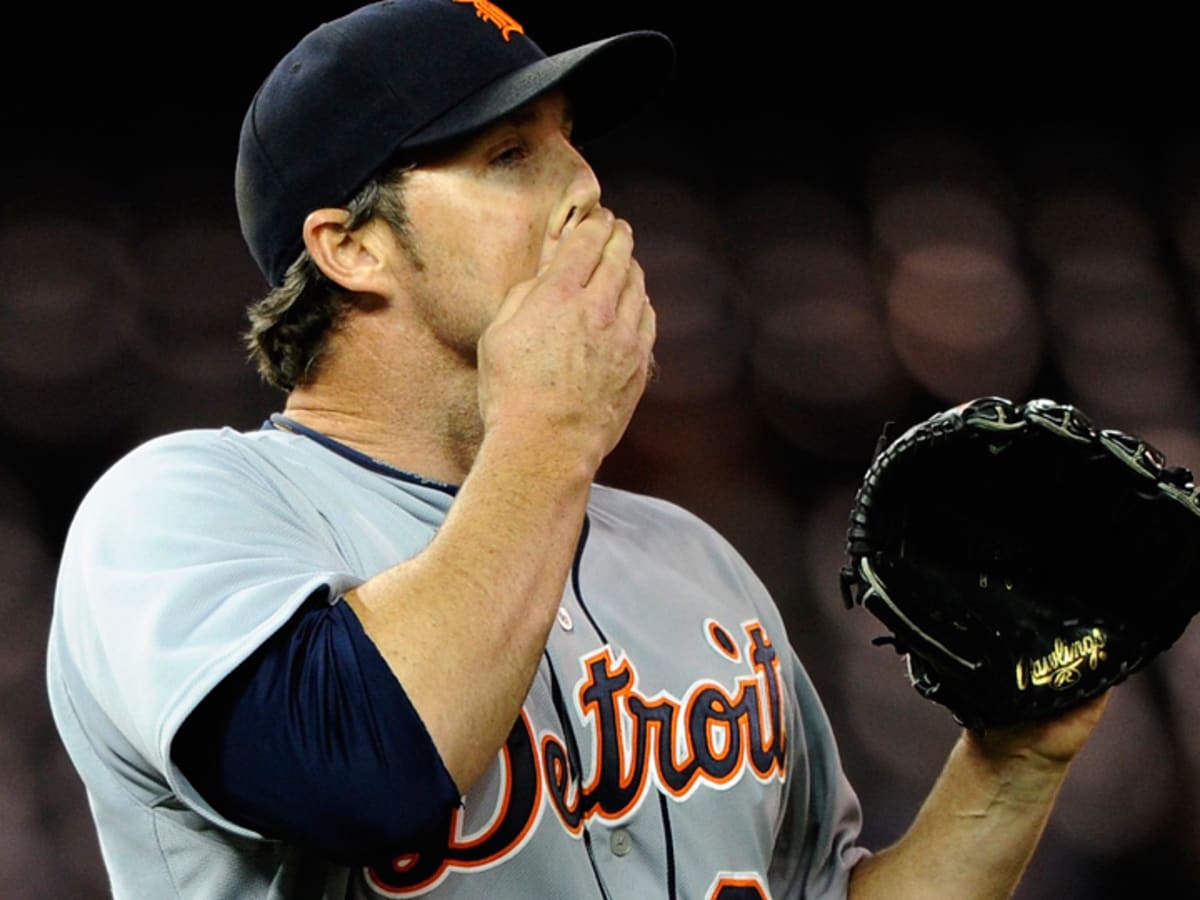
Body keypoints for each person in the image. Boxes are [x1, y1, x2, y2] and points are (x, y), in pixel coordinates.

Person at [46, 1, 1109, 897]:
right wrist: (551, 426)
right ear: (351, 246)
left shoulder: (692, 559)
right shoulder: (179, 511)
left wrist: (1014, 765)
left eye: (571, 142)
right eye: (509, 155)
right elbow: (355, 774)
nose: (586, 188)